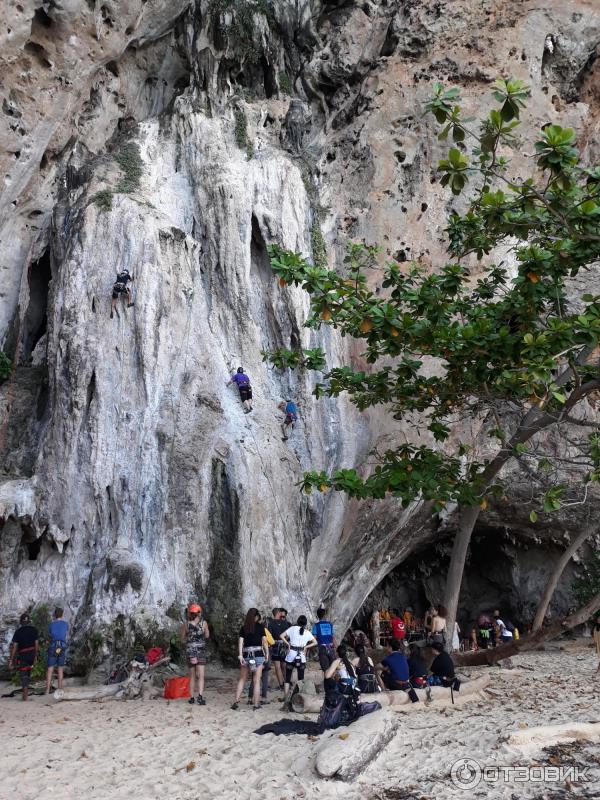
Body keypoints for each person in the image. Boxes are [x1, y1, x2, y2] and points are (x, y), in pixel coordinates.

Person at [232, 608, 268, 710]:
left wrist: (240, 655)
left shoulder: (244, 628)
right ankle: (256, 705)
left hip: (247, 655)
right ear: (256, 617)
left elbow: (240, 642)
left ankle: (236, 702)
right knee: (256, 680)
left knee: (242, 679)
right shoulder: (261, 627)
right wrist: (267, 653)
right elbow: (265, 642)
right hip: (258, 654)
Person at [280, 614, 317, 698]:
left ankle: (286, 697)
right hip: (301, 657)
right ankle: (300, 697)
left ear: (297, 621)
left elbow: (281, 636)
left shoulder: (292, 629)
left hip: (291, 655)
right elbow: (315, 642)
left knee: (287, 678)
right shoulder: (307, 632)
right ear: (305, 623)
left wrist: (288, 644)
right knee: (301, 679)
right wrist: (306, 647)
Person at [180, 603, 209, 705]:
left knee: (192, 676)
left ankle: (191, 698)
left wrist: (189, 641)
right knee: (201, 676)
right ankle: (200, 697)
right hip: (200, 651)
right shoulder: (204, 623)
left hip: (190, 652)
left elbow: (182, 639)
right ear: (199, 613)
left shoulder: (186, 624)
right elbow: (207, 635)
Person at [8, 613, 39, 701]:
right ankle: (25, 695)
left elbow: (14, 647)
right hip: (32, 654)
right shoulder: (34, 630)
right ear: (29, 621)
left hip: (23, 655)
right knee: (28, 673)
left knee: (23, 675)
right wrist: (35, 656)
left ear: (21, 622)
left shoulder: (18, 632)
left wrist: (11, 659)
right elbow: (36, 645)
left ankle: (25, 697)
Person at [45, 607, 69, 695]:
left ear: (54, 615)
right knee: (60, 668)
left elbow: (50, 635)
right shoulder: (65, 624)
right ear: (62, 615)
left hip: (53, 646)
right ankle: (60, 689)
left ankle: (47, 690)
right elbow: (65, 634)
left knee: (50, 668)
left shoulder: (51, 624)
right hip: (62, 646)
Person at [267, 608, 290, 692]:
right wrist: (285, 641)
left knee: (277, 666)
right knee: (284, 665)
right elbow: (287, 635)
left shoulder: (270, 623)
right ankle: (286, 682)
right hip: (284, 644)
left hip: (275, 645)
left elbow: (269, 636)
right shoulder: (285, 623)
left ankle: (281, 685)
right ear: (279, 613)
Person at [312, 607, 336, 672]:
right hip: (331, 648)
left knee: (325, 669)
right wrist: (335, 648)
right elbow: (333, 637)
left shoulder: (316, 626)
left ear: (317, 616)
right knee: (333, 668)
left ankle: (327, 681)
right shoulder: (330, 625)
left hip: (322, 648)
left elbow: (314, 638)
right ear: (325, 615)